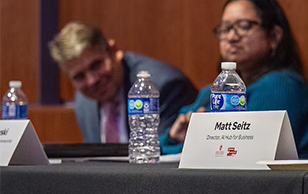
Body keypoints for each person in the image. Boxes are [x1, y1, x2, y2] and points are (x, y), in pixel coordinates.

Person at [161, 0, 308, 157]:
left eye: (244, 26)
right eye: (225, 28)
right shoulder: (211, 92)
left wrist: (189, 142)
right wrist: (173, 137)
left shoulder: (281, 85)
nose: (231, 37)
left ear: (274, 36)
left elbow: (240, 152)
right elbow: (160, 145)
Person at [49, 22, 199, 143]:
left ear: (114, 50)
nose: (92, 80)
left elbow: (163, 159)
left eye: (96, 65)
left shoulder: (163, 87)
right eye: (79, 76)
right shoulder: (84, 100)